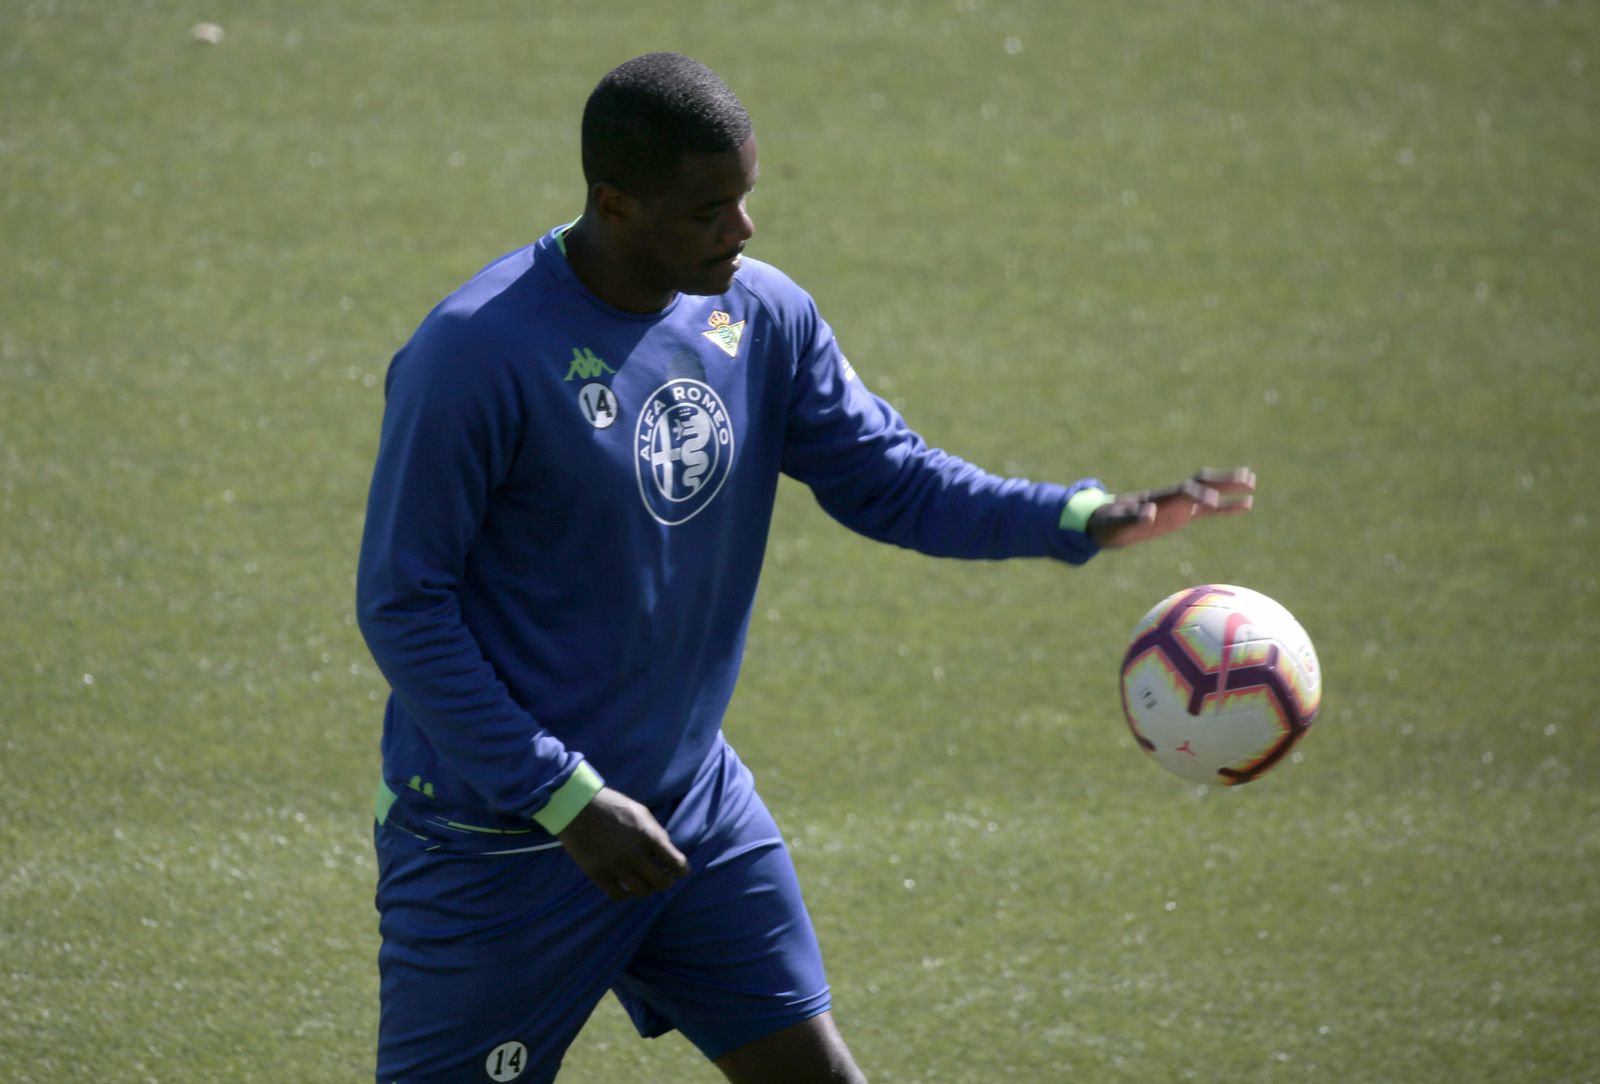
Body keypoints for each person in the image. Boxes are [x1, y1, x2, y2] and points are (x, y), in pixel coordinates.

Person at [355, 51, 1253, 1084]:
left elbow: (893, 481)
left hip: (689, 807)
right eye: (707, 210)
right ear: (614, 204)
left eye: (745, 198)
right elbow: (401, 605)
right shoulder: (474, 354)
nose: (742, 231)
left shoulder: (758, 316)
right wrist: (563, 797)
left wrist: (1079, 515)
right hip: (501, 840)